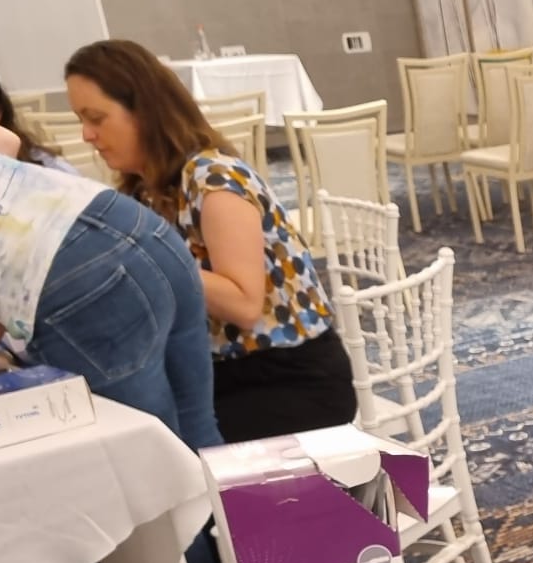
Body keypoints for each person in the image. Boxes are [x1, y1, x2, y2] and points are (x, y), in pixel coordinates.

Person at [0, 117, 226, 563]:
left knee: (161, 489)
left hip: (75, 285)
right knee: (204, 453)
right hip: (134, 227)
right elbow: (2, 141)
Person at [63, 40, 357, 442]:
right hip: (221, 372)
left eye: (96, 118)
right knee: (118, 429)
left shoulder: (213, 179)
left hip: (289, 377)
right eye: (81, 119)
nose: (87, 135)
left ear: (146, 112)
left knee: (162, 449)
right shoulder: (145, 190)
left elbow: (244, 304)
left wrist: (145, 259)